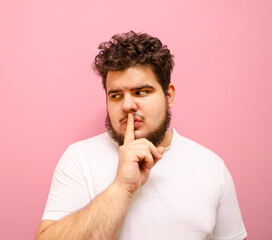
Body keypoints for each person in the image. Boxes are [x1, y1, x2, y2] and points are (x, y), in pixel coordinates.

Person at [36, 31, 247, 240]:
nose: (127, 105)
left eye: (141, 92)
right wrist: (122, 187)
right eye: (116, 95)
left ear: (169, 96)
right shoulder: (79, 158)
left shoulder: (211, 167)